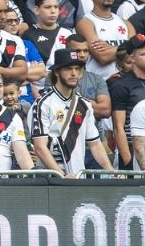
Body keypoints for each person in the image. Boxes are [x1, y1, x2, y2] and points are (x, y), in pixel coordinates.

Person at [29, 49, 115, 177]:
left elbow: (95, 144)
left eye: (77, 68)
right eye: (68, 69)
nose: (74, 73)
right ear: (57, 72)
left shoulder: (85, 105)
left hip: (78, 178)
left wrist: (111, 170)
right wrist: (61, 175)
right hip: (51, 180)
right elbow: (40, 147)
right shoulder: (43, 103)